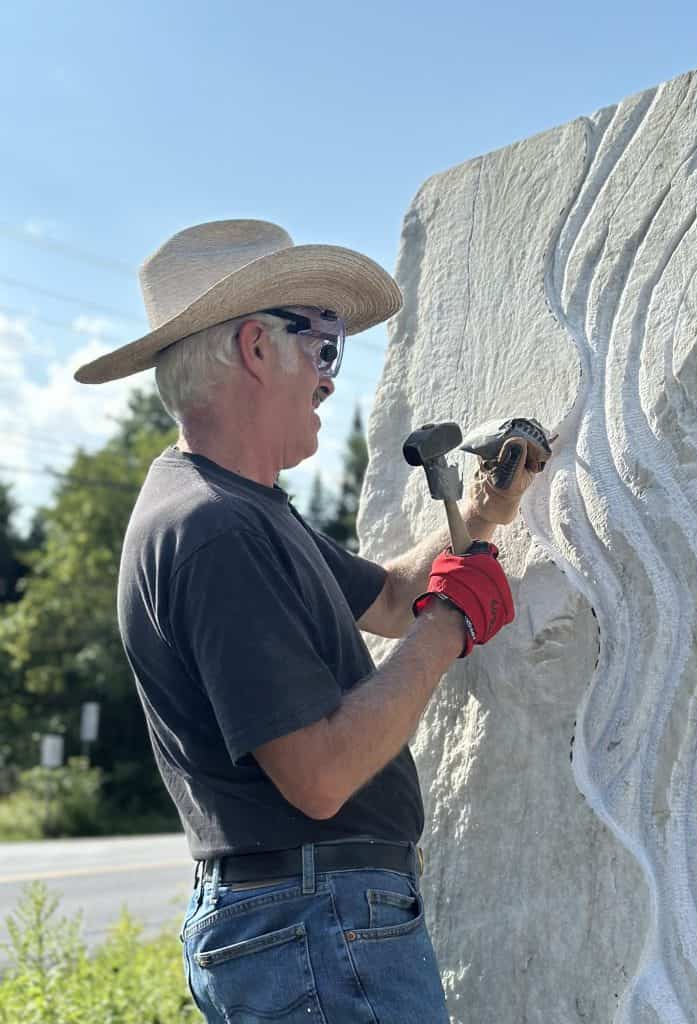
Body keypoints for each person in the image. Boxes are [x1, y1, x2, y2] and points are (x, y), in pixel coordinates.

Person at [74, 219, 539, 1023]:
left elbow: (394, 600)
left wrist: (480, 509)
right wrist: (452, 619)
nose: (330, 380)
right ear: (257, 348)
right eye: (322, 348)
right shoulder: (212, 529)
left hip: (308, 921)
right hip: (312, 920)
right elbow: (319, 777)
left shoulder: (241, 513)